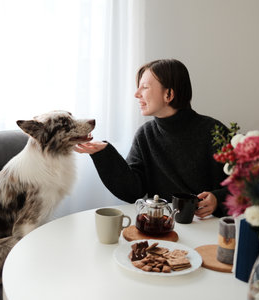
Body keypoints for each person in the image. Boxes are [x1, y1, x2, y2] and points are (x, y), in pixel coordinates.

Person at [75, 59, 228, 218]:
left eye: (145, 87)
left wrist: (218, 198)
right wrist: (104, 154)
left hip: (208, 227)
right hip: (162, 226)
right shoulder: (145, 135)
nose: (136, 94)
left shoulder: (214, 132)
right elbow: (132, 191)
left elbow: (247, 185)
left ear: (168, 94)